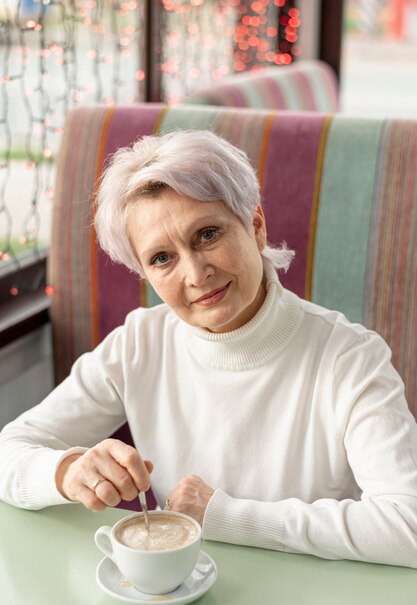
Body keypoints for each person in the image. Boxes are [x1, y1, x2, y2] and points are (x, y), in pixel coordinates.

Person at [1, 129, 417, 569]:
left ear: (255, 226)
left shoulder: (350, 358)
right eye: (162, 258)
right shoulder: (139, 344)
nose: (196, 274)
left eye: (207, 235)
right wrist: (69, 471)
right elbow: (9, 452)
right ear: (145, 274)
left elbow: (408, 525)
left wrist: (222, 515)